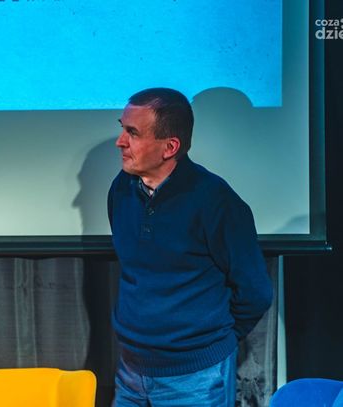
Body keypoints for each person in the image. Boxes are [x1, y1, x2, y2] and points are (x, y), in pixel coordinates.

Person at [107, 88, 273, 406]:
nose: (120, 141)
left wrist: (209, 343)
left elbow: (256, 291)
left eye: (133, 133)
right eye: (122, 128)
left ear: (170, 147)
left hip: (196, 380)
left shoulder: (215, 201)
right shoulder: (122, 189)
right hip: (130, 371)